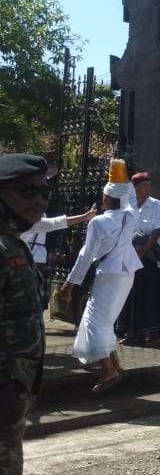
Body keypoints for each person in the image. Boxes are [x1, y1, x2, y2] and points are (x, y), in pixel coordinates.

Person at [59, 175, 142, 394]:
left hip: (109, 273)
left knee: (95, 320)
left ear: (107, 198)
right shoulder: (131, 216)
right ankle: (115, 365)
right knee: (105, 320)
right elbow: (131, 198)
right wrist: (122, 177)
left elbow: (86, 255)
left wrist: (70, 283)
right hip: (127, 273)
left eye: (104, 195)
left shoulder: (99, 221)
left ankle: (108, 370)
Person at [0, 153, 49, 474]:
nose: (40, 201)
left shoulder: (13, 243)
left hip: (15, 385)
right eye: (27, 192)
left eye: (44, 192)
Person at [118, 172, 160, 346]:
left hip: (148, 256)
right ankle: (132, 332)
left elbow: (157, 230)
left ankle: (152, 334)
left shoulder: (157, 205)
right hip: (129, 254)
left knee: (149, 294)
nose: (147, 190)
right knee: (131, 293)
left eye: (148, 186)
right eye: (143, 187)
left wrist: (143, 249)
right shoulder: (127, 204)